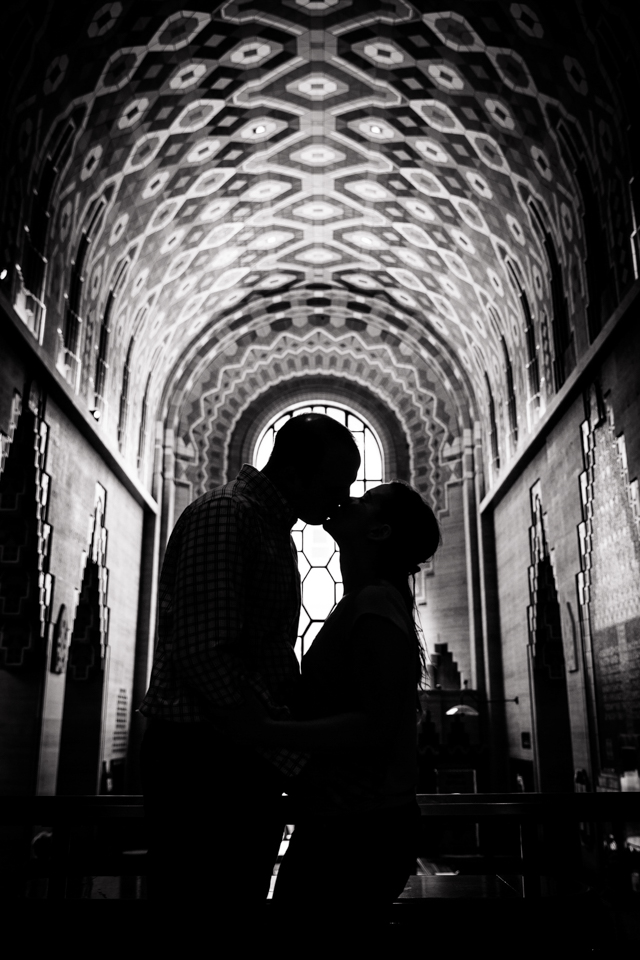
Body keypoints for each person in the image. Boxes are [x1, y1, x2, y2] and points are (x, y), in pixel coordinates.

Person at [138, 413, 360, 902]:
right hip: (203, 761)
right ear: (297, 471)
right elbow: (206, 654)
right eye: (336, 482)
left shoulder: (267, 526)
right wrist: (292, 756)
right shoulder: (227, 515)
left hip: (236, 756)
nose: (342, 497)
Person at [215, 480, 441, 909]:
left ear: (379, 532)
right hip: (343, 821)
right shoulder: (362, 601)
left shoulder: (374, 603)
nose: (349, 498)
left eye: (367, 499)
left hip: (359, 831)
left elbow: (375, 724)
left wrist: (264, 730)